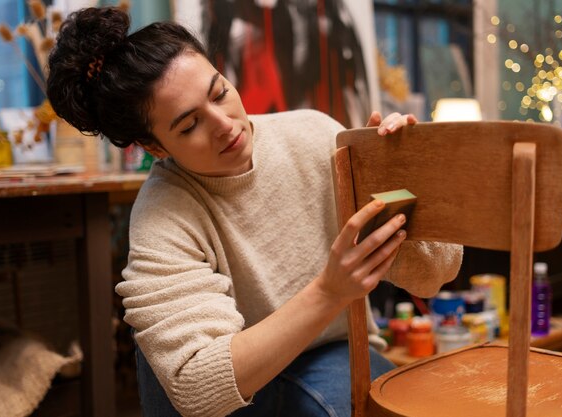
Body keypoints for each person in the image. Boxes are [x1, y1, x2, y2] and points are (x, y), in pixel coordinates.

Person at [47, 6, 462, 417]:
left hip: (333, 351)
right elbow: (197, 387)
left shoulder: (316, 136)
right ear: (156, 147)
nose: (224, 125)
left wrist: (405, 177)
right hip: (233, 387)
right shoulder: (163, 215)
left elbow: (433, 275)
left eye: (219, 93)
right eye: (189, 125)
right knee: (167, 356)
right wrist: (330, 291)